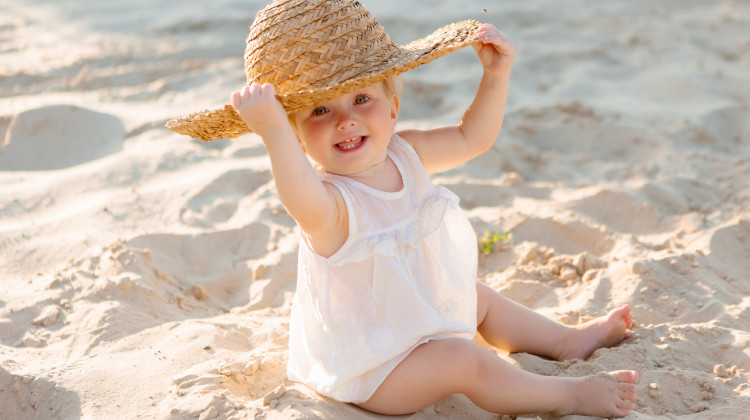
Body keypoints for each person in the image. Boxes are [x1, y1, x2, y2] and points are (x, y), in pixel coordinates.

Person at [166, 1, 637, 417]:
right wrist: (272, 132)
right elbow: (297, 196)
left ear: (393, 107)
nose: (345, 119)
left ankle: (565, 341)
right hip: (375, 370)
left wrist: (495, 78)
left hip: (419, 318)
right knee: (464, 360)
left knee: (478, 298)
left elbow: (472, 137)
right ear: (297, 138)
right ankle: (566, 397)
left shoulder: (405, 153)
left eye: (361, 98)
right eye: (319, 110)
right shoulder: (331, 205)